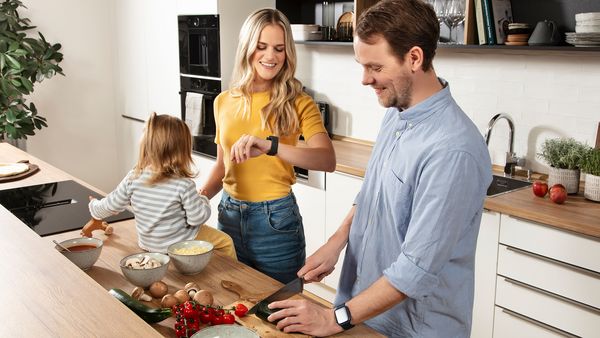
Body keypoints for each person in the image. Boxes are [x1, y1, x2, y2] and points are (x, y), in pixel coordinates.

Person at [268, 0, 493, 336]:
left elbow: (415, 269)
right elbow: (372, 193)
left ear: (414, 58)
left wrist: (333, 318)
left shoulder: (453, 151)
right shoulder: (396, 111)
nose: (364, 79)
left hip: (410, 326)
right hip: (363, 309)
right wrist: (337, 240)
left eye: (375, 67)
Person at [198, 8, 336, 284]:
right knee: (233, 304)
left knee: (279, 313)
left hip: (276, 222)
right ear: (248, 48)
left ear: (287, 54)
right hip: (228, 217)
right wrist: (194, 201)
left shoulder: (298, 102)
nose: (270, 56)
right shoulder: (223, 101)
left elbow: (326, 160)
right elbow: (222, 167)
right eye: (261, 47)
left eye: (279, 48)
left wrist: (271, 146)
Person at [82, 113, 236, 258]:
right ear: (182, 151)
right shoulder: (183, 185)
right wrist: (203, 199)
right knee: (225, 242)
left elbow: (110, 206)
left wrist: (94, 205)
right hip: (180, 243)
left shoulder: (133, 177)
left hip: (149, 244)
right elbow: (197, 219)